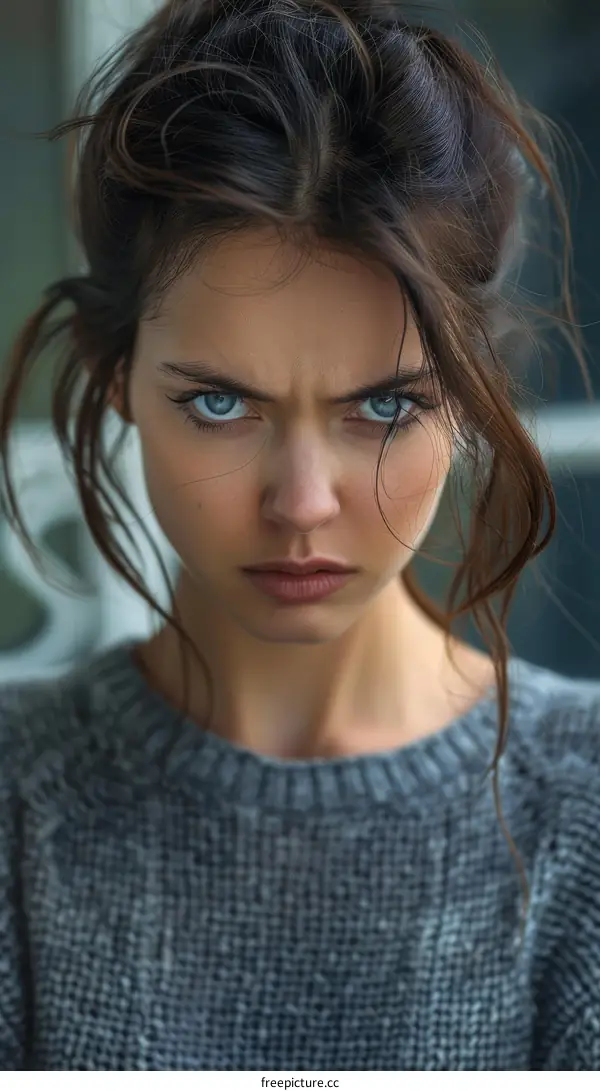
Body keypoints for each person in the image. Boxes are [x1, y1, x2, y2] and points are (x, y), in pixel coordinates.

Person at [0, 0, 599, 1072]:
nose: (304, 503)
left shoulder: (585, 807)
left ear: (474, 398)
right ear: (114, 377)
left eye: (386, 406)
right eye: (223, 404)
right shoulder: (15, 798)